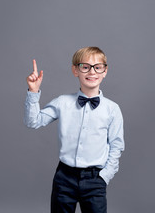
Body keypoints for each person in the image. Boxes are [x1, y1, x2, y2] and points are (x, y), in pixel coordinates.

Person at [24, 46, 125, 213]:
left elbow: (117, 146)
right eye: (85, 67)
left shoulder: (112, 109)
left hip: (95, 179)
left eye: (97, 67)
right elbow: (33, 121)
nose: (92, 72)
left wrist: (104, 177)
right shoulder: (62, 103)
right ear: (75, 70)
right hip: (64, 177)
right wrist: (33, 92)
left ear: (105, 71)